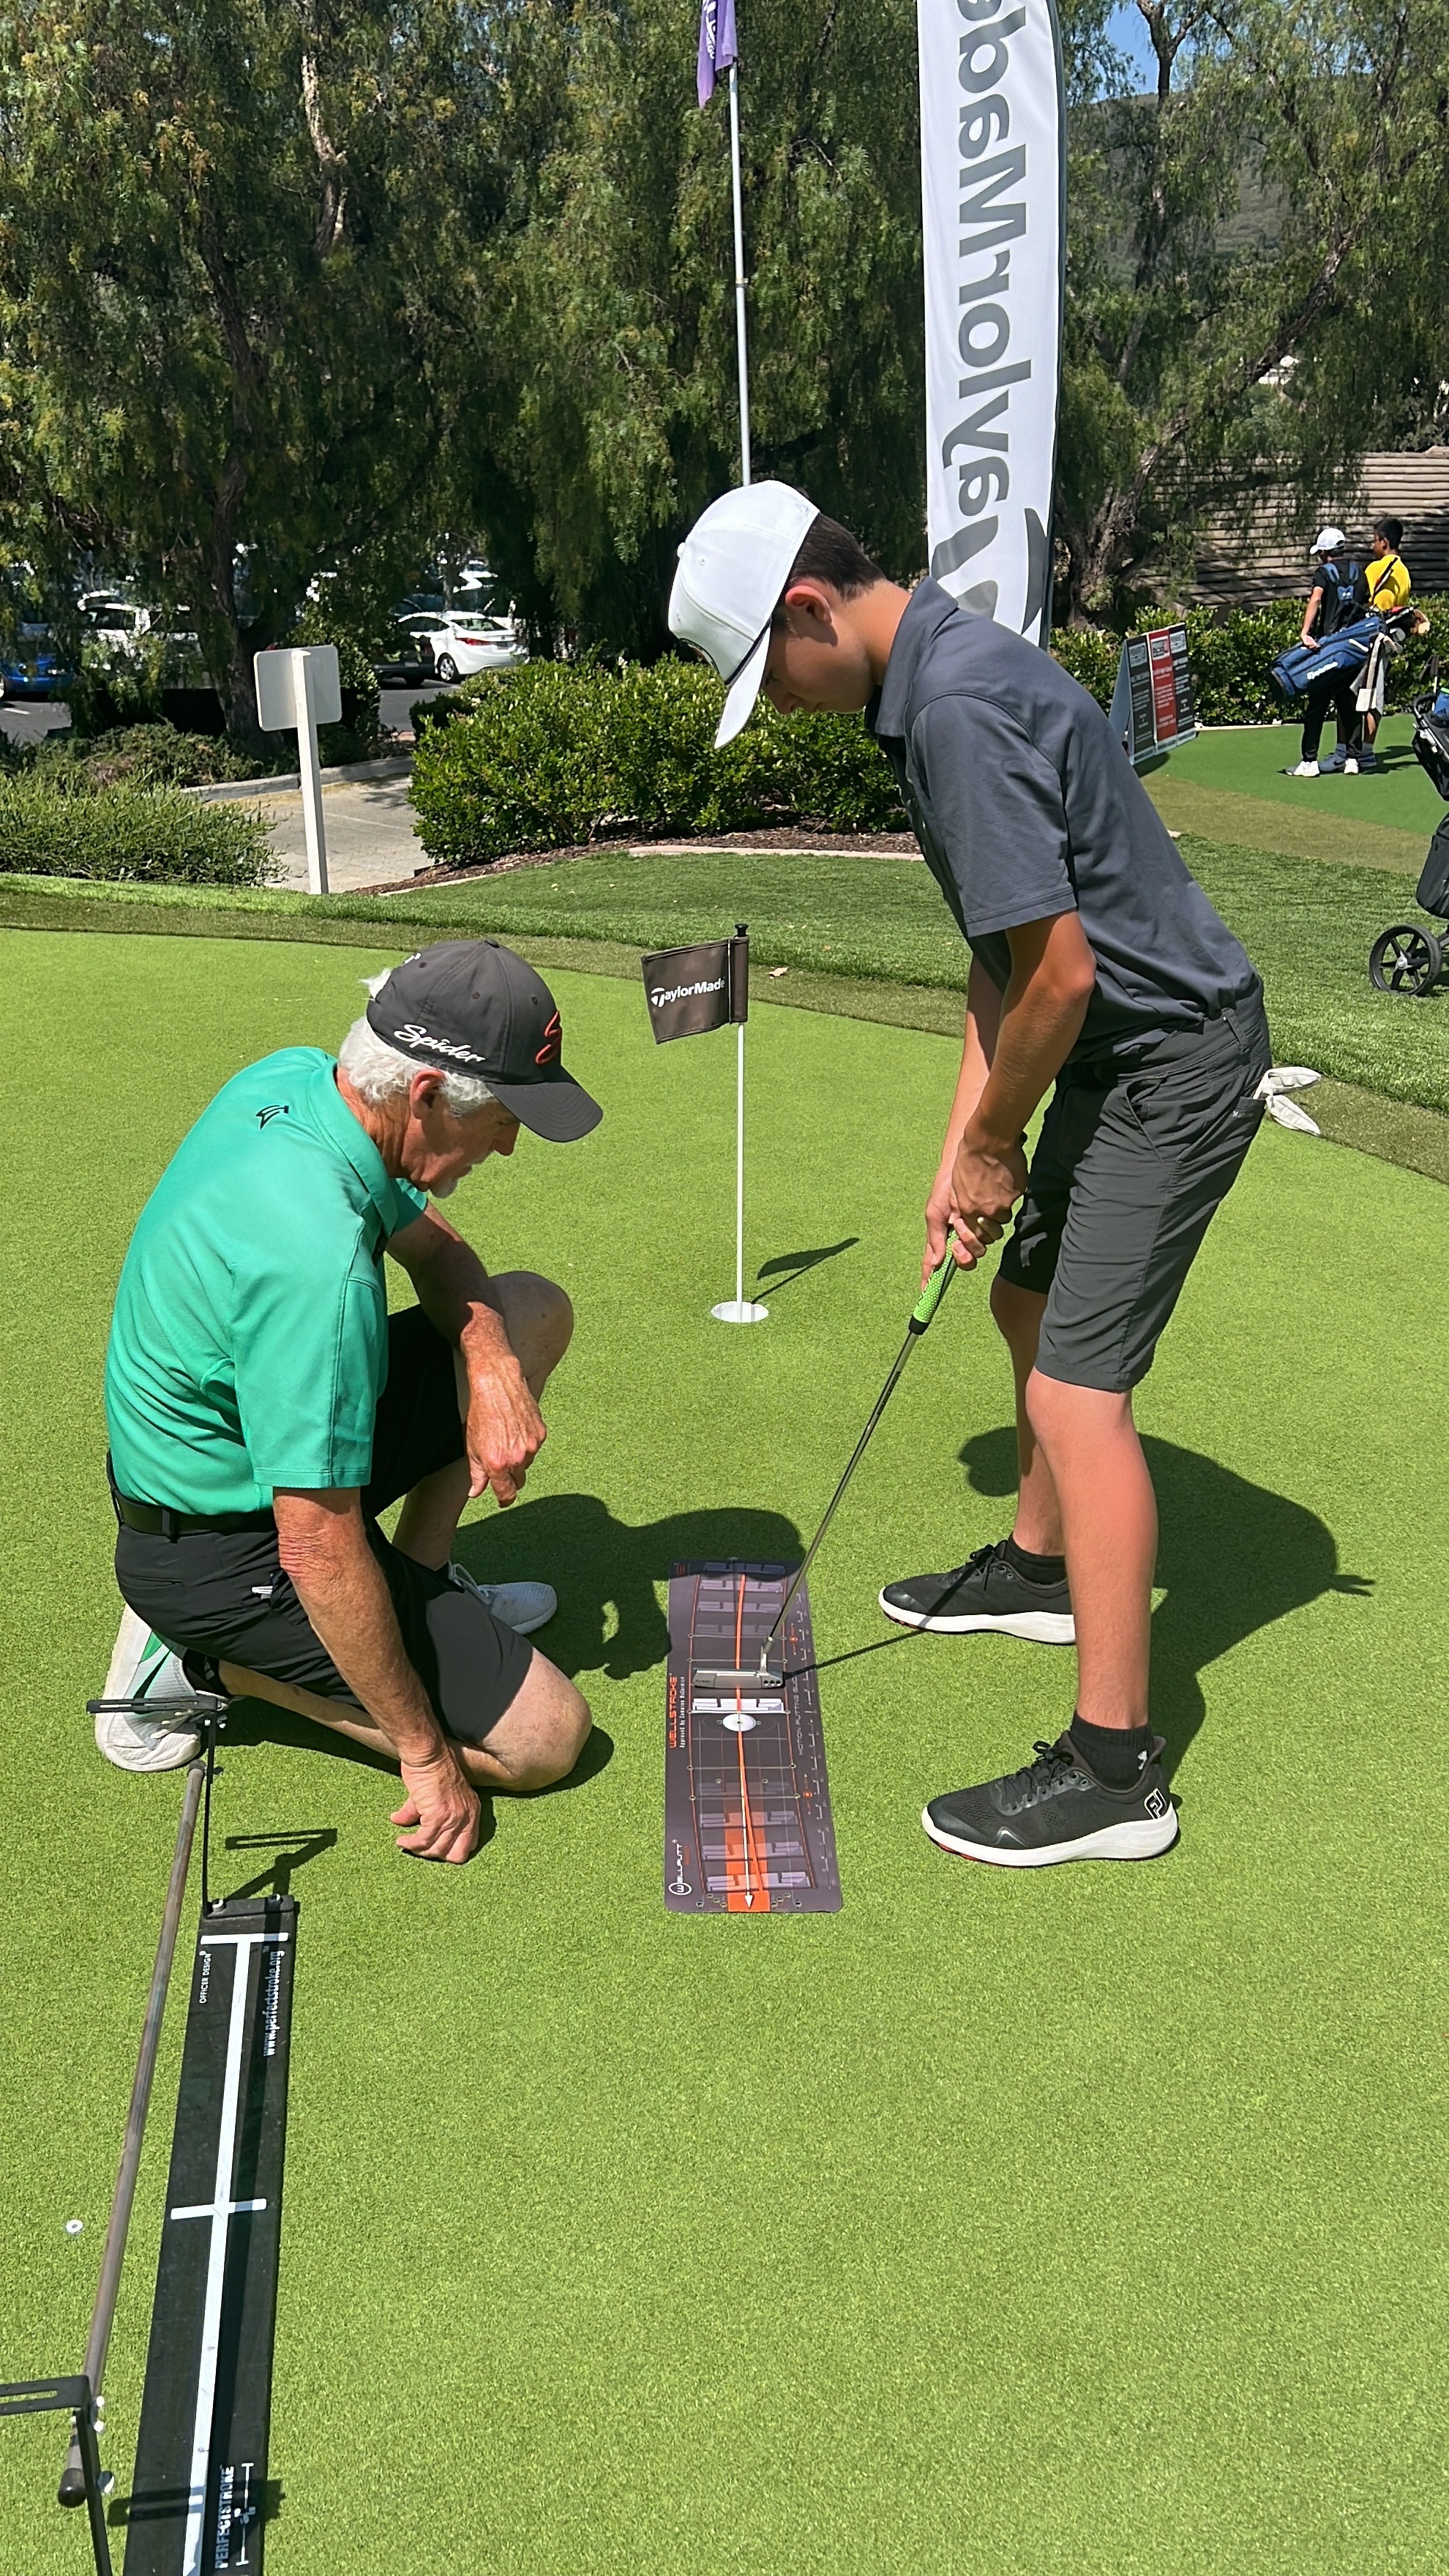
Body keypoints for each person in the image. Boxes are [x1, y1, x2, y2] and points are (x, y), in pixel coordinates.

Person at [667, 481, 1271, 1868]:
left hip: (1172, 1058)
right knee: (1023, 1303)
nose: (783, 705)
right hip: (1109, 1053)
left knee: (1076, 1392)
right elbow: (1001, 964)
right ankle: (1040, 1570)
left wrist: (998, 1144)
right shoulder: (931, 676)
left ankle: (1116, 1773)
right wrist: (961, 1153)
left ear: (809, 608)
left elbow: (1061, 974)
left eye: (773, 674)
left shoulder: (950, 706)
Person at [97, 938, 600, 1868]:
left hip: (253, 1450)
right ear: (426, 1096)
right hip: (217, 1548)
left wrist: (490, 1365)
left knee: (525, 1310)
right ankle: (205, 1661)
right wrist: (427, 1756)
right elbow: (316, 1548)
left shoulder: (304, 1082)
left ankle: (422, 1576)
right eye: (500, 1118)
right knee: (545, 1738)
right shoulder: (315, 1268)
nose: (509, 1143)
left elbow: (440, 1252)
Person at [1288, 526, 1369, 777]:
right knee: (1349, 703)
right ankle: (1352, 759)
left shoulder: (1323, 573)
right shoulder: (1359, 571)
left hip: (1327, 648)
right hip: (1353, 647)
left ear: (1325, 552)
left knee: (1317, 705)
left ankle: (1309, 761)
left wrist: (1305, 632)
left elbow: (1315, 599)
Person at [1355, 515, 1412, 773]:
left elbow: (1359, 599)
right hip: (1388, 640)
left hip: (1366, 638)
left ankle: (1356, 752)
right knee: (1375, 694)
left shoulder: (1375, 569)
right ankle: (1367, 748)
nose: (1372, 546)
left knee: (1357, 694)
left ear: (1384, 542)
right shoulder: (1404, 573)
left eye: (1375, 541)